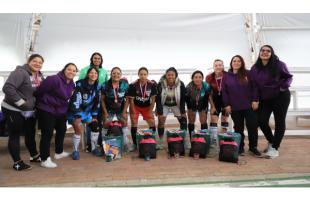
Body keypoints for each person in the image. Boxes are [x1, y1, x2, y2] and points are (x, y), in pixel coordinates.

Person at [1, 54, 44, 171]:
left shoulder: (39, 75)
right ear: (28, 61)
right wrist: (22, 103)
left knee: (30, 133)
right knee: (14, 134)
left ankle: (34, 156)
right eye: (35, 61)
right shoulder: (20, 72)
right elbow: (8, 88)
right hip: (14, 109)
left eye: (40, 62)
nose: (37, 64)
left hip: (29, 111)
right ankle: (17, 163)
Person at [251, 45, 293, 159]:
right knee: (261, 120)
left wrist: (283, 87)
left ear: (272, 53)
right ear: (259, 53)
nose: (265, 52)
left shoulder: (279, 65)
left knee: (279, 122)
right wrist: (255, 99)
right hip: (266, 99)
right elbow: (254, 86)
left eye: (268, 51)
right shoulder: (255, 68)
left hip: (281, 97)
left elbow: (288, 77)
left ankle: (275, 148)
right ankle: (271, 141)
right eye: (262, 50)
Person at [35, 63, 77, 168]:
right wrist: (44, 103)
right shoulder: (53, 79)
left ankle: (59, 152)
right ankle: (44, 159)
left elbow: (67, 97)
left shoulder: (72, 84)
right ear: (64, 69)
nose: (71, 72)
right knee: (47, 133)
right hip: (47, 109)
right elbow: (39, 92)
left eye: (74, 70)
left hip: (61, 110)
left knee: (62, 130)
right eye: (69, 69)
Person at [222, 55, 262, 157]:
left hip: (249, 105)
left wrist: (255, 100)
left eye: (238, 61)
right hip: (235, 107)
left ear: (242, 63)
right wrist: (227, 105)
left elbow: (255, 87)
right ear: (231, 63)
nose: (236, 63)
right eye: (234, 61)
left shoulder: (248, 73)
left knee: (252, 127)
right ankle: (240, 147)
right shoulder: (227, 76)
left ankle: (253, 147)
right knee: (238, 128)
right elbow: (224, 92)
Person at [67, 67, 101, 160]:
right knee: (78, 129)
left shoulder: (98, 86)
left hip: (87, 112)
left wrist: (94, 115)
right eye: (91, 73)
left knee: (95, 126)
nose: (93, 75)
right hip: (75, 111)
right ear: (87, 74)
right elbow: (75, 99)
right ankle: (75, 151)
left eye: (95, 73)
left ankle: (93, 148)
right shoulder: (80, 84)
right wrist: (77, 115)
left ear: (97, 76)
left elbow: (97, 102)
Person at [79, 52, 108, 152]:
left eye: (99, 58)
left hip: (98, 100)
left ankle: (98, 143)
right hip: (87, 101)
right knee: (89, 122)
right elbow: (81, 84)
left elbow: (106, 85)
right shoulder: (85, 70)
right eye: (95, 58)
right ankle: (89, 144)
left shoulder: (104, 71)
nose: (97, 60)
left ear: (101, 60)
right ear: (91, 59)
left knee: (98, 122)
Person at [101, 67, 132, 151]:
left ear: (121, 75)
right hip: (108, 109)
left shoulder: (124, 84)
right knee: (106, 123)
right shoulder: (105, 85)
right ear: (111, 74)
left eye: (118, 73)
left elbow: (127, 99)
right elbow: (102, 100)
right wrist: (105, 112)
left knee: (124, 122)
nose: (116, 75)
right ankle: (103, 143)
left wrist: (124, 112)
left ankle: (125, 143)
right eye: (114, 73)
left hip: (120, 109)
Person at [156, 67, 187, 149]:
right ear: (166, 75)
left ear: (176, 75)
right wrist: (159, 112)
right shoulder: (160, 84)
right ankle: (160, 141)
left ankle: (183, 139)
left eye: (172, 75)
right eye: (168, 75)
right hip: (164, 104)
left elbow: (183, 98)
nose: (170, 77)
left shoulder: (181, 84)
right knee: (161, 121)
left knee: (183, 120)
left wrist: (183, 111)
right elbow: (158, 99)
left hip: (176, 104)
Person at [128, 67, 157, 147]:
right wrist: (133, 110)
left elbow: (153, 99)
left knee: (152, 122)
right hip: (135, 106)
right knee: (134, 123)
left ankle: (152, 141)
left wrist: (151, 111)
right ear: (138, 75)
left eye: (145, 74)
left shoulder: (152, 85)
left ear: (147, 75)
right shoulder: (133, 85)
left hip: (147, 107)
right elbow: (131, 100)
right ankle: (135, 144)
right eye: (141, 74)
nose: (143, 76)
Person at [205, 59, 229, 145]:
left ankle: (223, 137)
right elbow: (208, 93)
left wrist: (229, 105)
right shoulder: (209, 77)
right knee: (213, 119)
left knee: (225, 119)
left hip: (226, 101)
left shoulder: (228, 75)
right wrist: (212, 106)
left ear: (223, 66)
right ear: (213, 67)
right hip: (215, 101)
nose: (218, 67)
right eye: (216, 65)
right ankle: (213, 139)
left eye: (220, 65)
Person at [185, 70, 211, 138]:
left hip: (203, 102)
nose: (198, 79)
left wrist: (212, 106)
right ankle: (191, 137)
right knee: (191, 120)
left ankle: (204, 137)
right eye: (196, 77)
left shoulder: (206, 85)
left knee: (203, 120)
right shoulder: (188, 87)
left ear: (202, 78)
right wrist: (190, 108)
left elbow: (209, 97)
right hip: (191, 103)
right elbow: (187, 99)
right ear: (193, 78)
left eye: (200, 77)